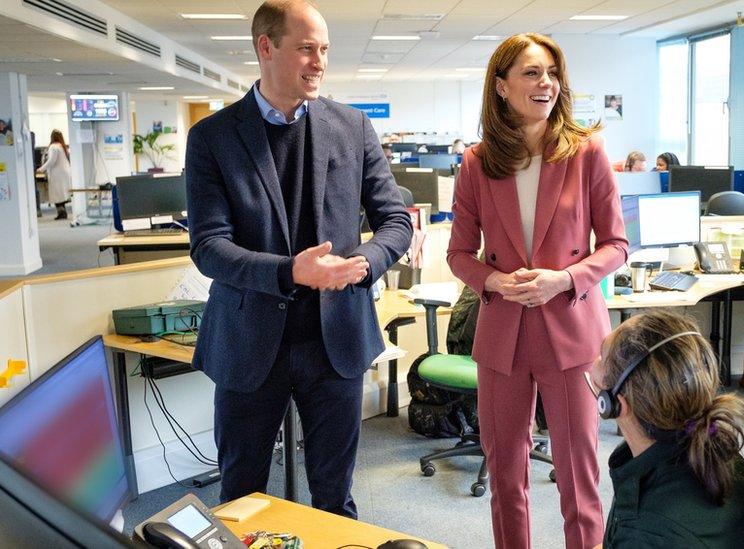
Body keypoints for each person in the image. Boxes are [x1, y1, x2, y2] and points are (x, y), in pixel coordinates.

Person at [185, 0, 412, 517]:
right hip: (249, 344)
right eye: (306, 48)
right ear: (266, 48)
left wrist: (364, 264)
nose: (319, 62)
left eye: (324, 49)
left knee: (334, 497)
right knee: (241, 496)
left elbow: (395, 222)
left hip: (336, 343)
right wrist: (291, 272)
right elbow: (209, 246)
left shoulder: (352, 128)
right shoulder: (213, 138)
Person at [447, 32, 627, 549]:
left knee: (578, 476)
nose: (545, 82)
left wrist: (565, 279)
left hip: (571, 332)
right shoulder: (478, 162)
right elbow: (459, 254)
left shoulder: (586, 151)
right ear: (501, 87)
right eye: (531, 72)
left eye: (551, 72)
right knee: (506, 476)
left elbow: (615, 244)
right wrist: (495, 280)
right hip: (503, 335)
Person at [591, 310, 744, 548]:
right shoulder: (711, 444)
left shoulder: (649, 530)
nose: (593, 364)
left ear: (615, 403)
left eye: (601, 356)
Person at [36, 129, 72, 220]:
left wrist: (41, 169)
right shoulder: (63, 146)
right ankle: (63, 212)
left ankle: (61, 213)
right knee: (61, 193)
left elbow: (51, 160)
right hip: (65, 172)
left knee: (57, 194)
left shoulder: (53, 147)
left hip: (57, 173)